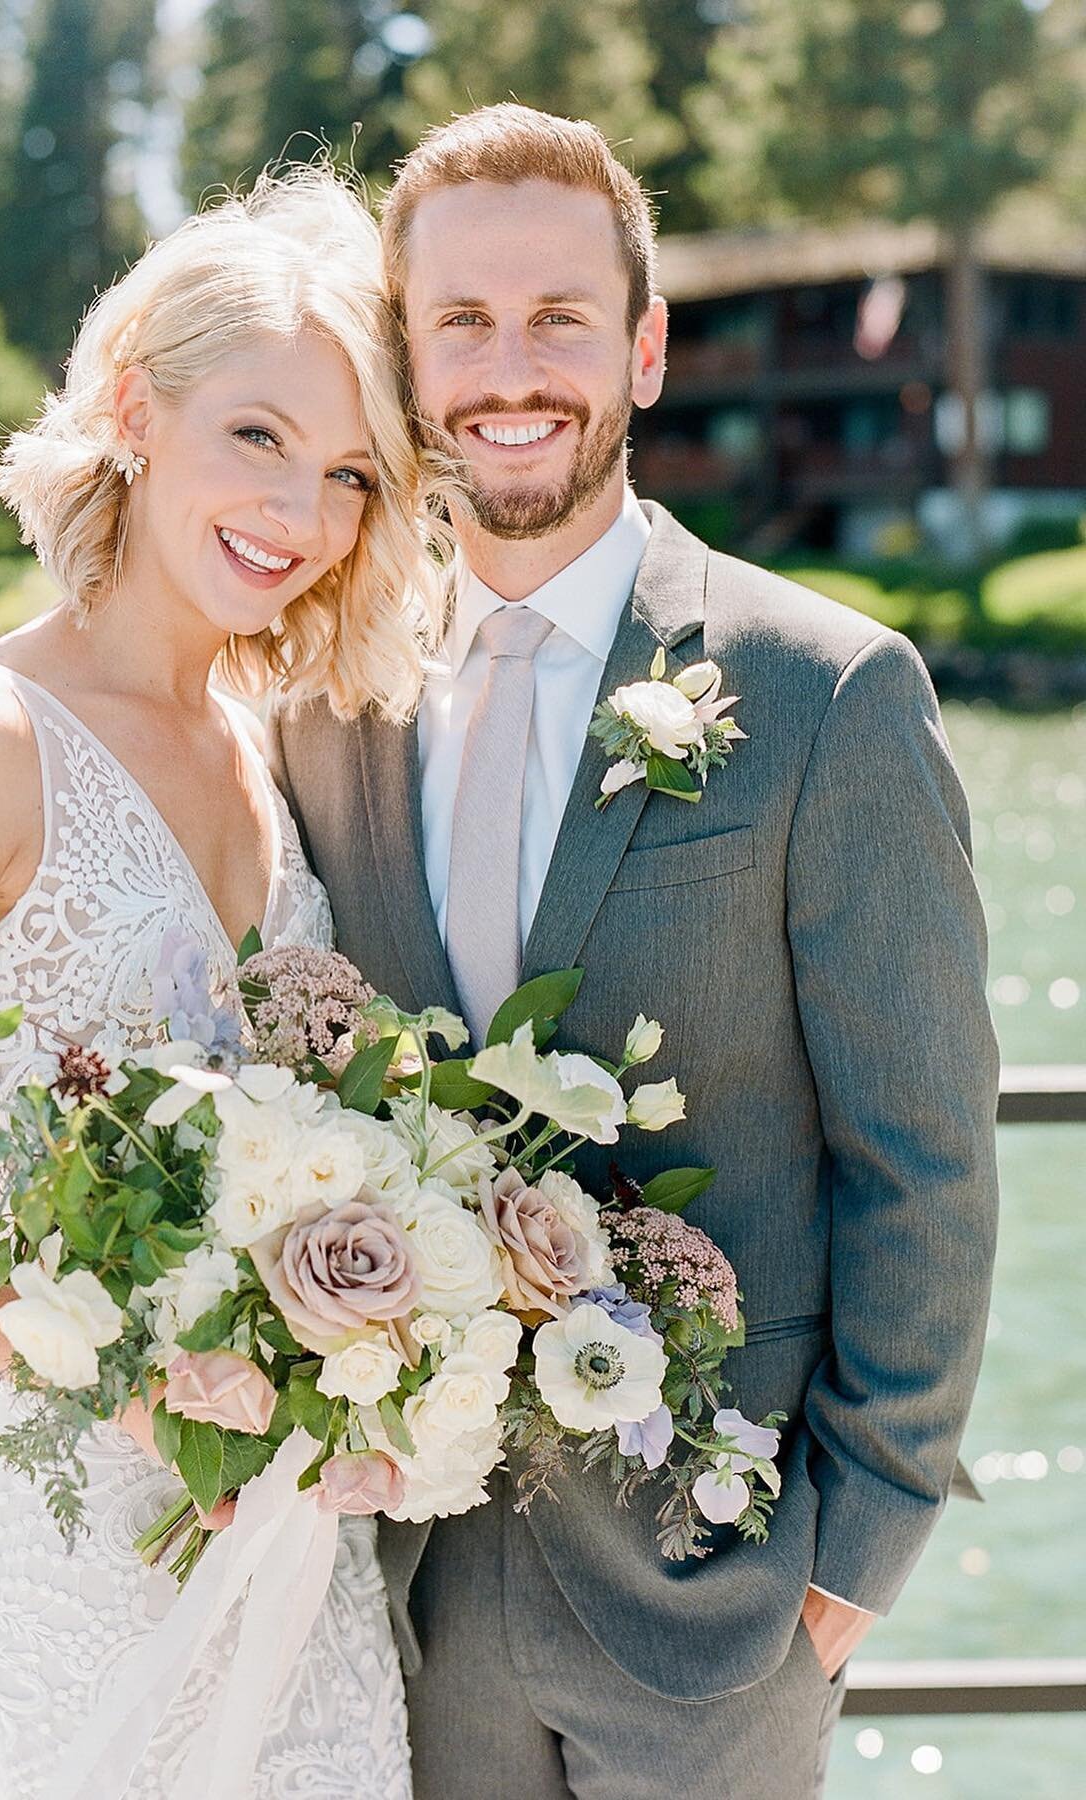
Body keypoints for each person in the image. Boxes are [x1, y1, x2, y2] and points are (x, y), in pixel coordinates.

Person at [264, 105, 999, 1798]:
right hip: (402, 1602)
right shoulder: (322, 700)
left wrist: (849, 1557)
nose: (509, 370)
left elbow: (928, 1159)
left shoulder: (832, 695)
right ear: (403, 355)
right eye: (460, 321)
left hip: (717, 1600)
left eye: (559, 319)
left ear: (645, 349)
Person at [0, 168, 448, 1800]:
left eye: (345, 474)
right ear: (135, 405)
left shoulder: (275, 748)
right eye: (256, 437)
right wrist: (91, 1372)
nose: (302, 515)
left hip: (284, 1527)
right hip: (62, 1532)